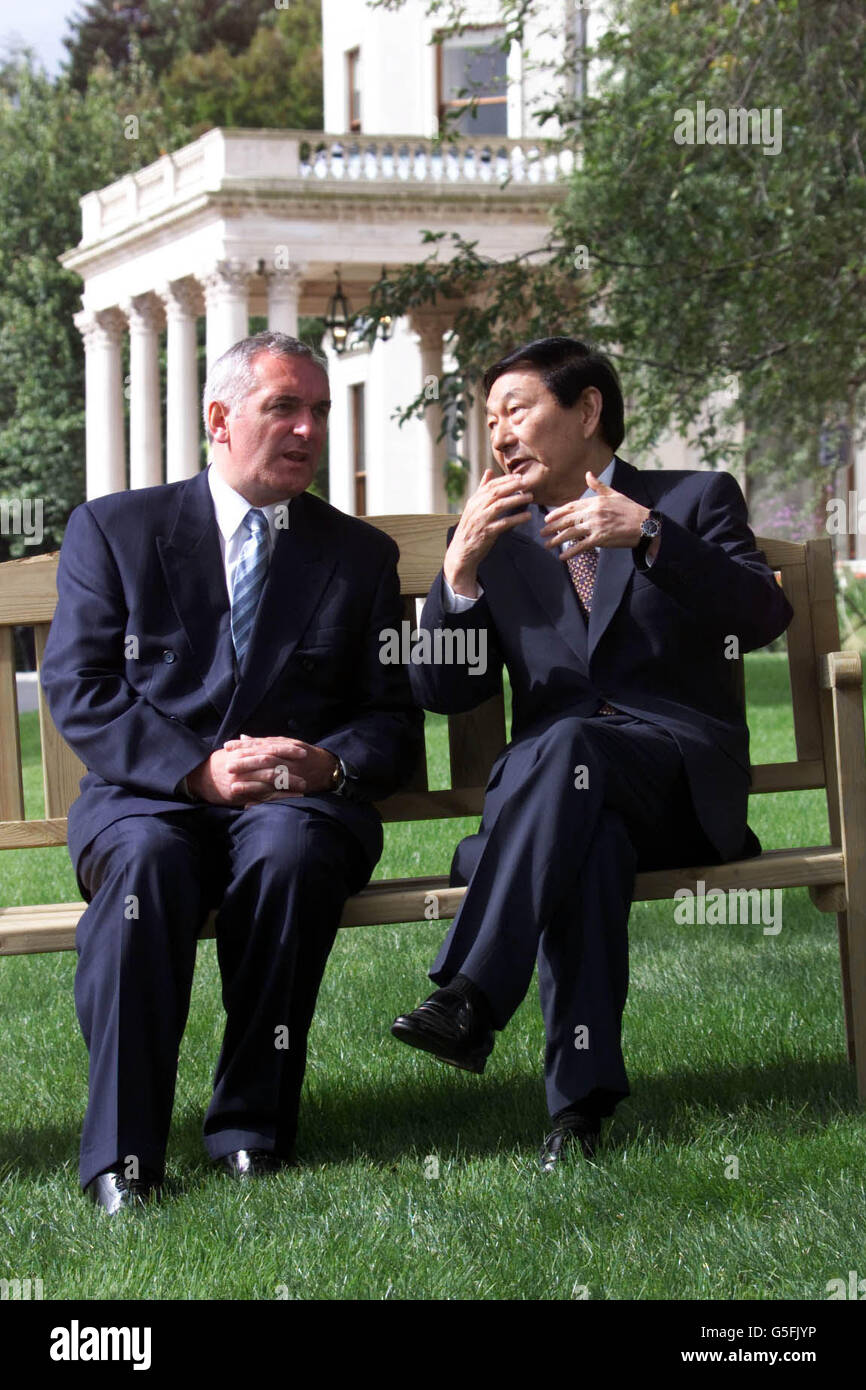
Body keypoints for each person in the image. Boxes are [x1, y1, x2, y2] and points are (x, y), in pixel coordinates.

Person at [41, 331, 423, 1212]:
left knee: (290, 858)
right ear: (219, 419)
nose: (307, 430)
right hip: (151, 799)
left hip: (295, 807)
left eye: (319, 411)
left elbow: (394, 721)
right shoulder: (118, 529)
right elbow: (82, 687)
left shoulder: (355, 555)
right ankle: (121, 1156)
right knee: (145, 870)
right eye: (283, 406)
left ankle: (252, 1127)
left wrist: (327, 763)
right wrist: (197, 774)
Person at [391, 336, 793, 1169]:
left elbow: (761, 618)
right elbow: (440, 692)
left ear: (586, 410)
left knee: (574, 744)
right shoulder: (498, 542)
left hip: (676, 788)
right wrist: (458, 573)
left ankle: (470, 993)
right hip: (566, 810)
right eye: (489, 418)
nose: (499, 434)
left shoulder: (690, 499)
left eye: (518, 410)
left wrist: (648, 535)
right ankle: (578, 1114)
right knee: (588, 840)